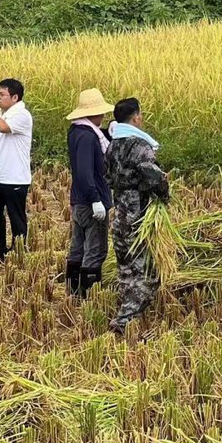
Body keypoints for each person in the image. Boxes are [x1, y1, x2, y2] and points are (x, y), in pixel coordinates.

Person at [105, 97, 169, 337]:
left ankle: (127, 311)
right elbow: (155, 177)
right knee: (146, 273)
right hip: (138, 215)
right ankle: (124, 319)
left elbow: (107, 177)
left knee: (126, 269)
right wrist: (164, 196)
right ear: (136, 117)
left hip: (119, 212)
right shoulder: (139, 146)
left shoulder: (113, 145)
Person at [64, 88, 113, 299]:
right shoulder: (87, 137)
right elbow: (85, 172)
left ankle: (73, 292)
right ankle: (88, 297)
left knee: (78, 247)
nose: (103, 116)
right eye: (101, 112)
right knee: (95, 250)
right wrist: (96, 200)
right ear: (94, 113)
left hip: (79, 201)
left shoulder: (77, 131)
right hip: (89, 201)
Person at [0, 78, 33, 261]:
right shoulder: (3, 112)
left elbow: (3, 128)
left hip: (14, 179)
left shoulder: (22, 115)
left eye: (2, 95)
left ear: (15, 97)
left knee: (16, 219)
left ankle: (18, 256)